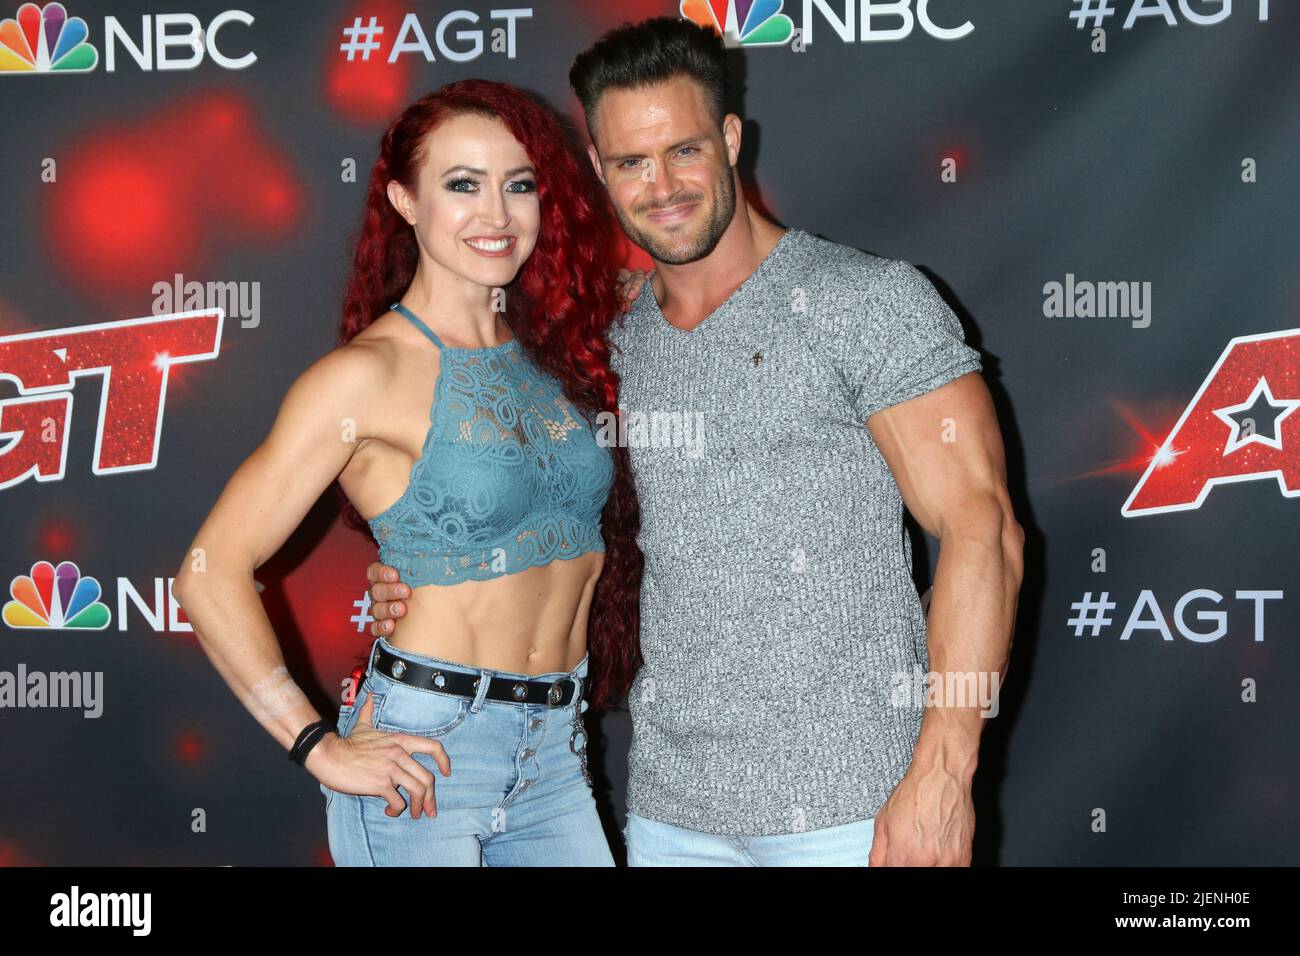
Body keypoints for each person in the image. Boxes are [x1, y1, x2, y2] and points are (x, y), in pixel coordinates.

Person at [365, 18, 1024, 866]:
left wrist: (945, 769)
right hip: (673, 817)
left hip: (855, 811)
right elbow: (521, 499)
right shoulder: (605, 338)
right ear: (600, 170)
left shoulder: (867, 303)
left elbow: (984, 529)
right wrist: (414, 574)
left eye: (682, 150)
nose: (662, 186)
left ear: (730, 138)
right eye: (632, 163)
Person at [173, 79, 643, 866]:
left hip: (557, 756)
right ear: (403, 200)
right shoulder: (363, 378)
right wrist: (316, 744)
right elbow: (208, 571)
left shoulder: (565, 351)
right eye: (463, 185)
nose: (496, 214)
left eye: (518, 185)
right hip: (424, 758)